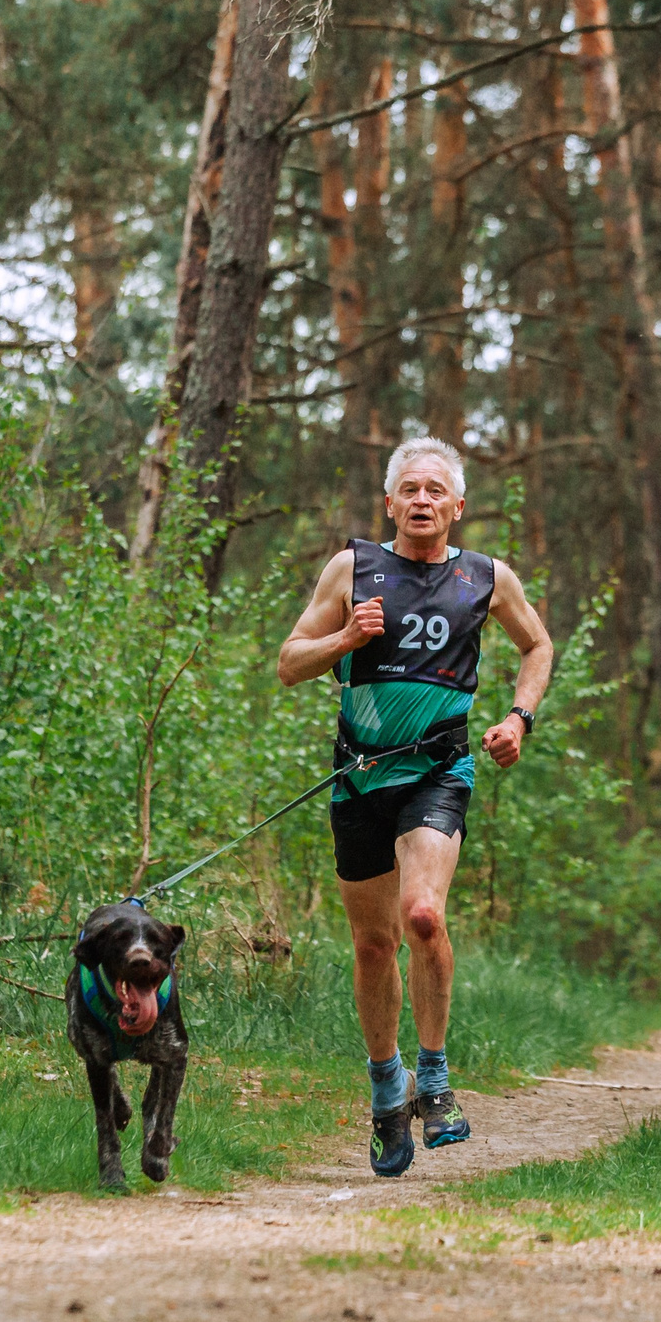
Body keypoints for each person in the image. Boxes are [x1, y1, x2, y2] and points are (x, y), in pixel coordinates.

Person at [277, 436, 554, 1176]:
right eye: (411, 489)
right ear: (391, 503)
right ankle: (384, 1088)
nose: (423, 499)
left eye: (437, 489)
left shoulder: (486, 578)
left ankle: (434, 1078)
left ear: (458, 506)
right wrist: (344, 636)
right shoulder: (353, 568)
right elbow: (287, 663)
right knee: (373, 945)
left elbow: (538, 646)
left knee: (423, 915)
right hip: (359, 778)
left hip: (438, 770)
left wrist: (517, 719)